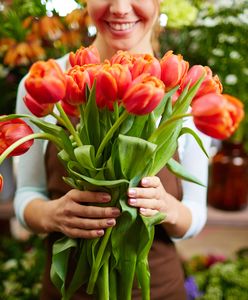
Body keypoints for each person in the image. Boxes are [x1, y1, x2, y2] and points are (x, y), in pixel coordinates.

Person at [14, 0, 211, 299]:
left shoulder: (185, 87)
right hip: (68, 290)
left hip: (156, 290)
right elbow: (27, 194)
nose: (120, 8)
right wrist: (52, 214)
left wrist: (167, 208)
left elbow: (195, 215)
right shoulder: (45, 80)